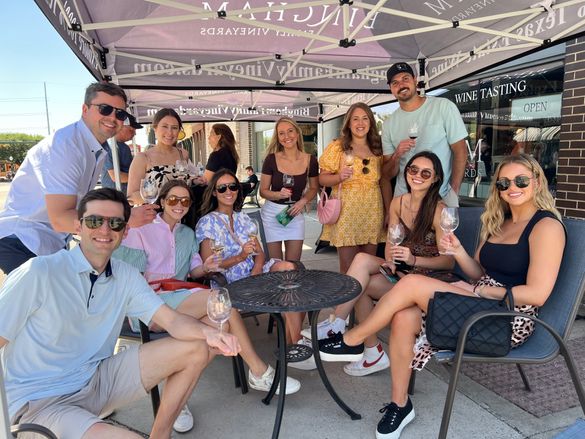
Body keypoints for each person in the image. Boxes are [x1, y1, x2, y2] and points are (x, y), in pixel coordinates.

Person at [319, 154, 566, 439]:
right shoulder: (500, 222)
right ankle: (400, 405)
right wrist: (459, 251)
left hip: (507, 317)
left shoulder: (545, 226)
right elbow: (477, 272)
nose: (512, 187)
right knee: (404, 315)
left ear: (537, 182)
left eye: (521, 180)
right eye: (504, 182)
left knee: (412, 283)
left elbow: (537, 294)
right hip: (479, 301)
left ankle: (352, 340)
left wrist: (480, 290)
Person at [0, 188, 240, 438]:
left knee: (198, 346)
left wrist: (210, 334)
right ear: (78, 226)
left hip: (96, 378)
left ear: (125, 231)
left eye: (115, 223)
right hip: (41, 401)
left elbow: (172, 321)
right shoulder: (39, 272)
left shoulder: (125, 275)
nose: (105, 230)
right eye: (95, 221)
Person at [113, 180, 300, 430]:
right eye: (173, 199)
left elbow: (195, 271)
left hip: (179, 298)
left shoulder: (187, 234)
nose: (179, 205)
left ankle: (177, 401)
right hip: (148, 305)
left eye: (185, 201)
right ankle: (258, 370)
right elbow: (130, 278)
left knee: (218, 326)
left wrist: (207, 267)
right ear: (162, 201)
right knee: (219, 300)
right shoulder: (141, 230)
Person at [305, 152, 454, 378]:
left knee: (361, 284)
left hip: (427, 280)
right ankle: (345, 329)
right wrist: (391, 261)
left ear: (435, 179)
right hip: (403, 272)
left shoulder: (438, 210)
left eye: (426, 173)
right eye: (413, 170)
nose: (417, 176)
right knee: (360, 265)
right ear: (406, 172)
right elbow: (392, 242)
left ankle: (363, 345)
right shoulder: (398, 203)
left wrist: (414, 260)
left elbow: (449, 261)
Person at [0, 82, 156, 275]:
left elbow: (79, 206)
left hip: (49, 242)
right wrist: (124, 220)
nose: (112, 117)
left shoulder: (95, 147)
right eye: (104, 109)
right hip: (23, 240)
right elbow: (60, 218)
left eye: (120, 113)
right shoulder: (65, 147)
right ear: (85, 109)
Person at [196, 170, 309, 355]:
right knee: (288, 285)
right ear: (214, 192)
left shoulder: (242, 217)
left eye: (233, 186)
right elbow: (211, 266)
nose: (228, 191)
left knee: (289, 269)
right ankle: (295, 346)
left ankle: (292, 344)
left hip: (254, 274)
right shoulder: (207, 223)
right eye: (222, 188)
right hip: (229, 281)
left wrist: (256, 272)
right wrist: (240, 257)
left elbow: (260, 254)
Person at [258, 117, 319, 347]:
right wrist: (278, 194)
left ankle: (290, 315)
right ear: (278, 137)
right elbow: (263, 191)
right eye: (281, 133)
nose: (286, 136)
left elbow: (314, 188)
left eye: (290, 131)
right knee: (276, 267)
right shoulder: (271, 159)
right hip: (273, 214)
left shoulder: (310, 159)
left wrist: (303, 201)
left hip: (294, 214)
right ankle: (280, 315)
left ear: (297, 133)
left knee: (293, 267)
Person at [382, 62, 468, 208]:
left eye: (405, 78)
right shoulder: (388, 124)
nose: (401, 85)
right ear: (391, 88)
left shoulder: (443, 106)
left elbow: (461, 151)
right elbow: (387, 174)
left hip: (439, 199)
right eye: (395, 83)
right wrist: (396, 155)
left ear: (415, 80)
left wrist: (453, 192)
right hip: (404, 202)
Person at [319, 103, 386, 274]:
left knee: (368, 266)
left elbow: (384, 180)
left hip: (372, 210)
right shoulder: (338, 146)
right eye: (355, 119)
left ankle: (365, 293)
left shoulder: (378, 147)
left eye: (365, 118)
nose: (360, 123)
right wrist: (338, 177)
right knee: (348, 267)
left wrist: (388, 211)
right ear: (348, 123)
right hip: (346, 211)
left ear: (371, 122)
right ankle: (349, 293)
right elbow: (322, 178)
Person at [127, 108, 193, 204]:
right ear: (155, 128)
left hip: (182, 209)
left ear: (179, 131)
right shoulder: (143, 158)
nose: (169, 132)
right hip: (155, 212)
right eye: (165, 126)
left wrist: (196, 180)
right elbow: (131, 198)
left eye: (174, 128)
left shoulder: (183, 154)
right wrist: (162, 196)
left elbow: (187, 183)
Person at [100, 114, 142, 193]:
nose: (134, 134)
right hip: (113, 195)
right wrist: (141, 178)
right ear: (121, 127)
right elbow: (115, 176)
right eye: (131, 130)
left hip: (124, 193)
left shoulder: (124, 147)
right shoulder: (109, 146)